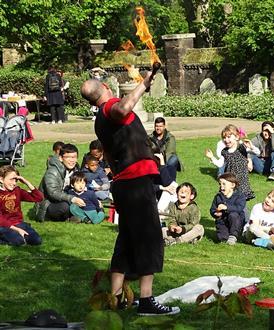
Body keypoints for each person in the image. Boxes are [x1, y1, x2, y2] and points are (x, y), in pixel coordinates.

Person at [81, 72, 180, 315]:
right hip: (136, 183)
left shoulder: (99, 121)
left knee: (126, 239)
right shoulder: (110, 107)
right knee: (149, 238)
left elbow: (108, 155)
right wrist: (143, 84)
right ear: (105, 87)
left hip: (123, 183)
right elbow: (124, 108)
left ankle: (116, 298)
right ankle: (146, 300)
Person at [34, 143, 84, 222]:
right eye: (68, 157)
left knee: (89, 203)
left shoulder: (76, 170)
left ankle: (73, 217)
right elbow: (53, 193)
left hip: (65, 199)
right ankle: (65, 217)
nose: (72, 160)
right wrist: (72, 198)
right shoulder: (52, 171)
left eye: (74, 157)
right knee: (65, 206)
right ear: (60, 158)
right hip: (47, 205)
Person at [205, 124, 257, 200]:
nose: (226, 140)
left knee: (241, 207)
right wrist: (212, 157)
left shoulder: (242, 147)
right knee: (229, 203)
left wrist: (252, 147)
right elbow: (220, 164)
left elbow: (257, 152)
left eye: (229, 137)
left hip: (242, 182)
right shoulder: (225, 151)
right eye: (224, 138)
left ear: (236, 137)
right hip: (230, 182)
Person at [0, 165, 44, 246]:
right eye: (11, 179)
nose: (14, 183)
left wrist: (26, 182)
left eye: (16, 180)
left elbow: (39, 198)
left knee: (37, 241)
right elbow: (1, 219)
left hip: (19, 223)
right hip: (4, 225)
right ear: (1, 179)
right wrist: (17, 230)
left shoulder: (17, 191)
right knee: (19, 241)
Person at [209, 172, 246, 245]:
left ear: (232, 185)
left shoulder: (239, 196)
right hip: (222, 221)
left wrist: (226, 207)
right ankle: (225, 235)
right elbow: (212, 209)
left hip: (235, 221)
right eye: (220, 184)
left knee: (233, 215)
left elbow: (239, 208)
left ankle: (233, 235)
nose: (221, 187)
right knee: (222, 238)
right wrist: (215, 213)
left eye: (224, 184)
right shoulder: (218, 197)